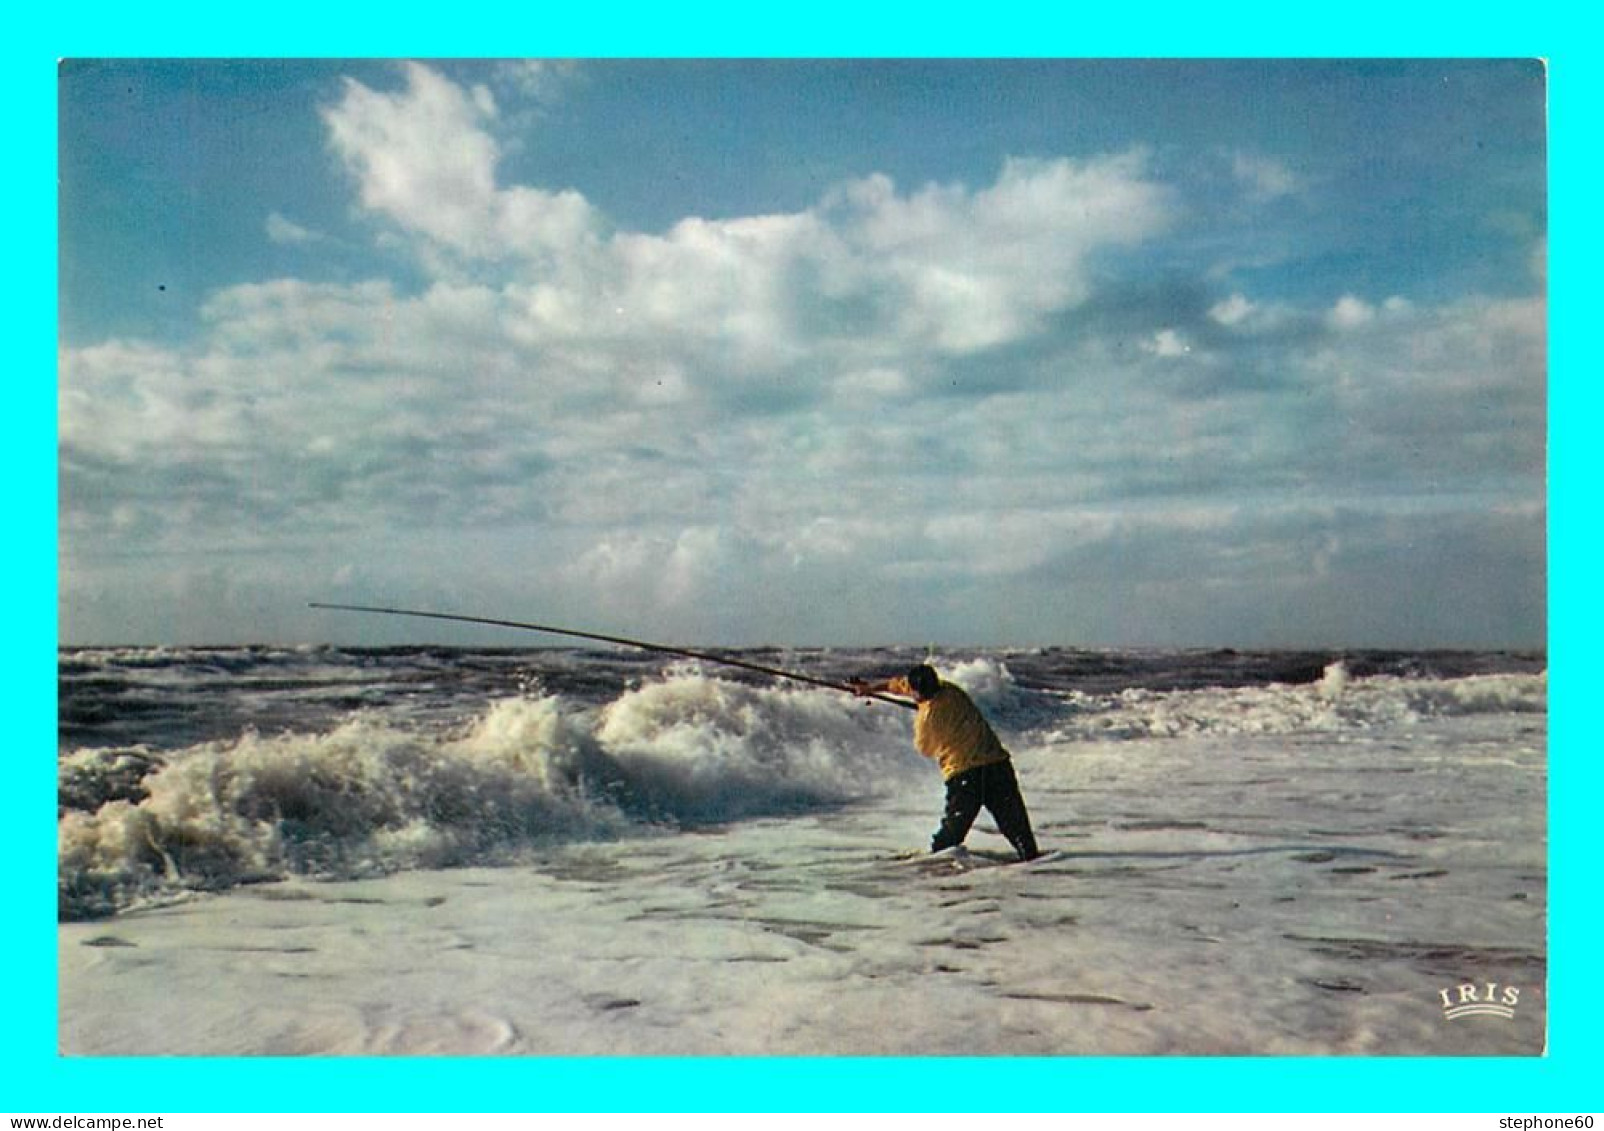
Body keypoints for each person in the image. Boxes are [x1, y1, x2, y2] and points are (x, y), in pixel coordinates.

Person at [851, 663, 1040, 862]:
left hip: (965, 776)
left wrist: (923, 712)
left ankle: (935, 880)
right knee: (1019, 831)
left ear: (918, 693)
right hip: (997, 766)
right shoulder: (951, 689)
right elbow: (899, 685)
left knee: (949, 840)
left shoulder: (928, 717)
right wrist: (870, 689)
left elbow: (925, 749)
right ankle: (1035, 869)